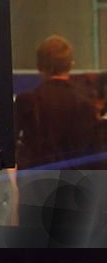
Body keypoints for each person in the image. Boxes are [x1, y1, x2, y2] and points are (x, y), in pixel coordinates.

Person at [14, 35, 102, 169]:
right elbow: (95, 152)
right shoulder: (87, 103)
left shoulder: (26, 101)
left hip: (36, 182)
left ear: (39, 65)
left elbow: (11, 146)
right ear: (71, 64)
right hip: (76, 182)